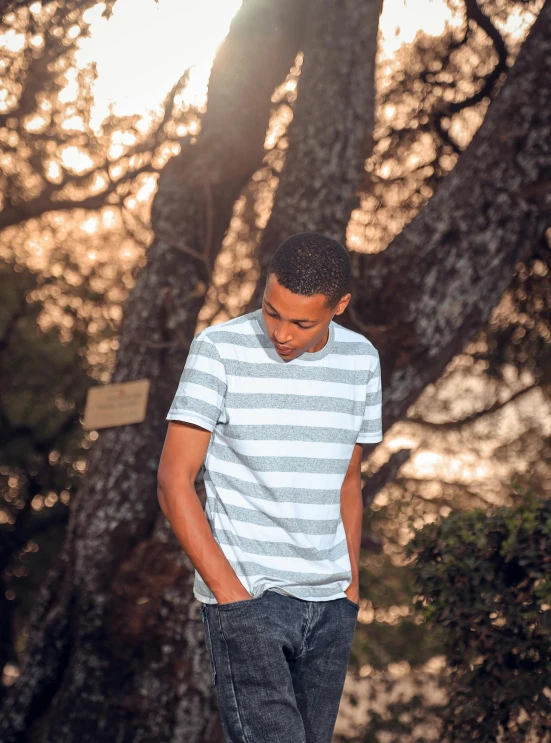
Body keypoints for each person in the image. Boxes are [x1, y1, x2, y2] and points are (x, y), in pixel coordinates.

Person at [157, 232, 383, 743]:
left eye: (301, 322)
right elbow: (174, 482)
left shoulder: (362, 360)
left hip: (331, 605)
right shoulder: (218, 350)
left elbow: (349, 482)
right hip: (250, 599)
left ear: (339, 307)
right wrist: (231, 596)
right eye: (271, 311)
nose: (281, 332)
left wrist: (350, 587)